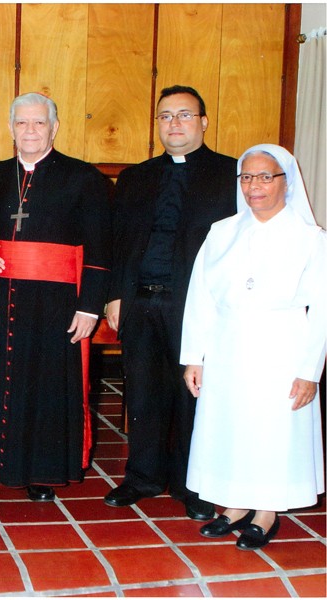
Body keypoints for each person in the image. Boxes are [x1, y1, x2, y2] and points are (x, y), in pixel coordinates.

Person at [0, 92, 111, 502]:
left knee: (46, 385)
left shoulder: (84, 177)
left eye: (39, 123)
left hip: (55, 303)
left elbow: (100, 247)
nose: (30, 131)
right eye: (22, 123)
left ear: (54, 128)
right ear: (11, 128)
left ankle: (43, 472)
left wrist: (90, 305)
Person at [181, 144, 326, 550]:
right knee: (229, 427)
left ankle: (266, 511)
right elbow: (201, 297)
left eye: (265, 177)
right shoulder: (222, 231)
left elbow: (323, 311)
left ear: (286, 182)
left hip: (282, 347)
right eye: (246, 177)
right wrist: (194, 355)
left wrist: (308, 371)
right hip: (227, 346)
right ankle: (234, 505)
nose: (253, 186)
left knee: (270, 429)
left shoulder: (310, 239)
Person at [104, 85, 237, 520]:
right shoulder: (135, 177)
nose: (174, 124)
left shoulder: (231, 175)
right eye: (165, 116)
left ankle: (191, 484)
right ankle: (141, 477)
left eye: (184, 115)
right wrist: (115, 295)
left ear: (203, 122)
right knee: (142, 394)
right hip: (141, 301)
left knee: (192, 396)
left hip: (197, 305)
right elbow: (118, 242)